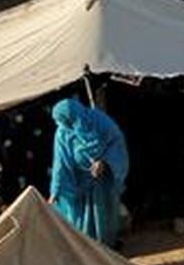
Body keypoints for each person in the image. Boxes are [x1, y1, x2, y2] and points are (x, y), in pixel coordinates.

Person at [49, 97, 130, 247]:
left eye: (65, 121)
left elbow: (117, 143)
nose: (62, 125)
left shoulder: (101, 122)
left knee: (103, 216)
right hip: (78, 182)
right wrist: (56, 189)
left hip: (102, 181)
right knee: (81, 221)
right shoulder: (62, 131)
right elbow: (60, 162)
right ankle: (88, 250)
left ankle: (106, 247)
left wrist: (105, 161)